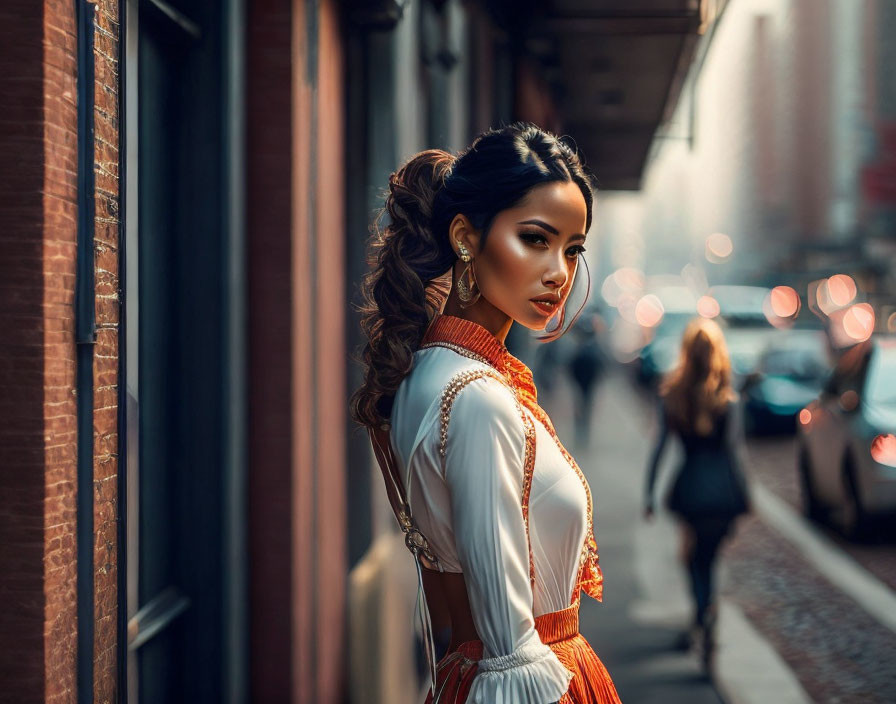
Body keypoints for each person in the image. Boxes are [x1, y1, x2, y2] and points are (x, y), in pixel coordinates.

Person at [352, 123, 621, 703]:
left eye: (572, 249)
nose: (559, 273)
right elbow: (508, 651)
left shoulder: (434, 372)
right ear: (465, 237)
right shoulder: (475, 396)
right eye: (535, 239)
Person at [643, 317, 750, 670]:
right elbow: (736, 453)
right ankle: (706, 612)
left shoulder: (672, 394)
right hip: (722, 491)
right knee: (709, 557)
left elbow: (660, 447)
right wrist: (745, 495)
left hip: (689, 487)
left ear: (686, 353)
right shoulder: (728, 399)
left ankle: (702, 610)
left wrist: (648, 493)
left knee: (692, 558)